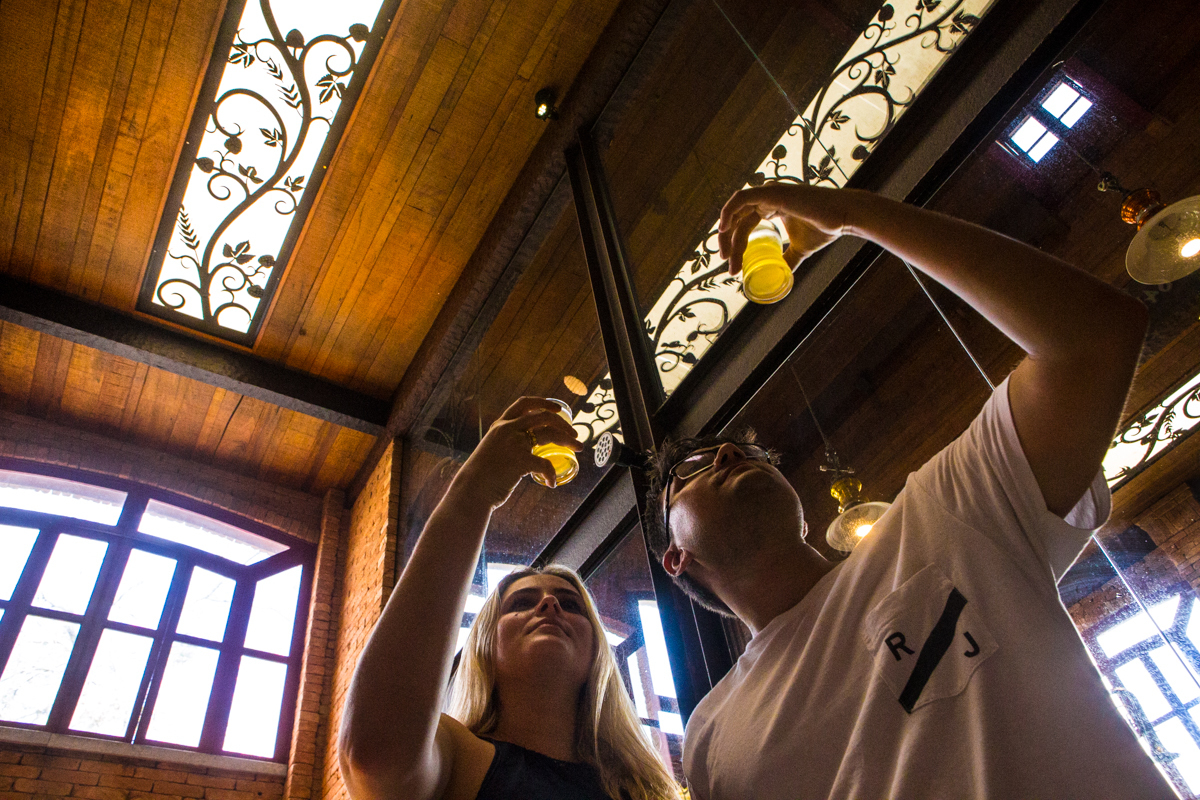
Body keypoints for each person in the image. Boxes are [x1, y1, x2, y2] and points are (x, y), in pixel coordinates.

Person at [645, 183, 1175, 798]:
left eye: (746, 450)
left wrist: (856, 216)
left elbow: (1094, 337)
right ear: (677, 558)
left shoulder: (941, 513)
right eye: (697, 468)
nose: (732, 453)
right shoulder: (713, 736)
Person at [337, 398, 682, 800]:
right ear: (483, 642)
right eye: (520, 603)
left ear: (598, 653)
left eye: (570, 604)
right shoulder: (456, 758)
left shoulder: (645, 788)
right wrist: (475, 487)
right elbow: (375, 756)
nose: (550, 605)